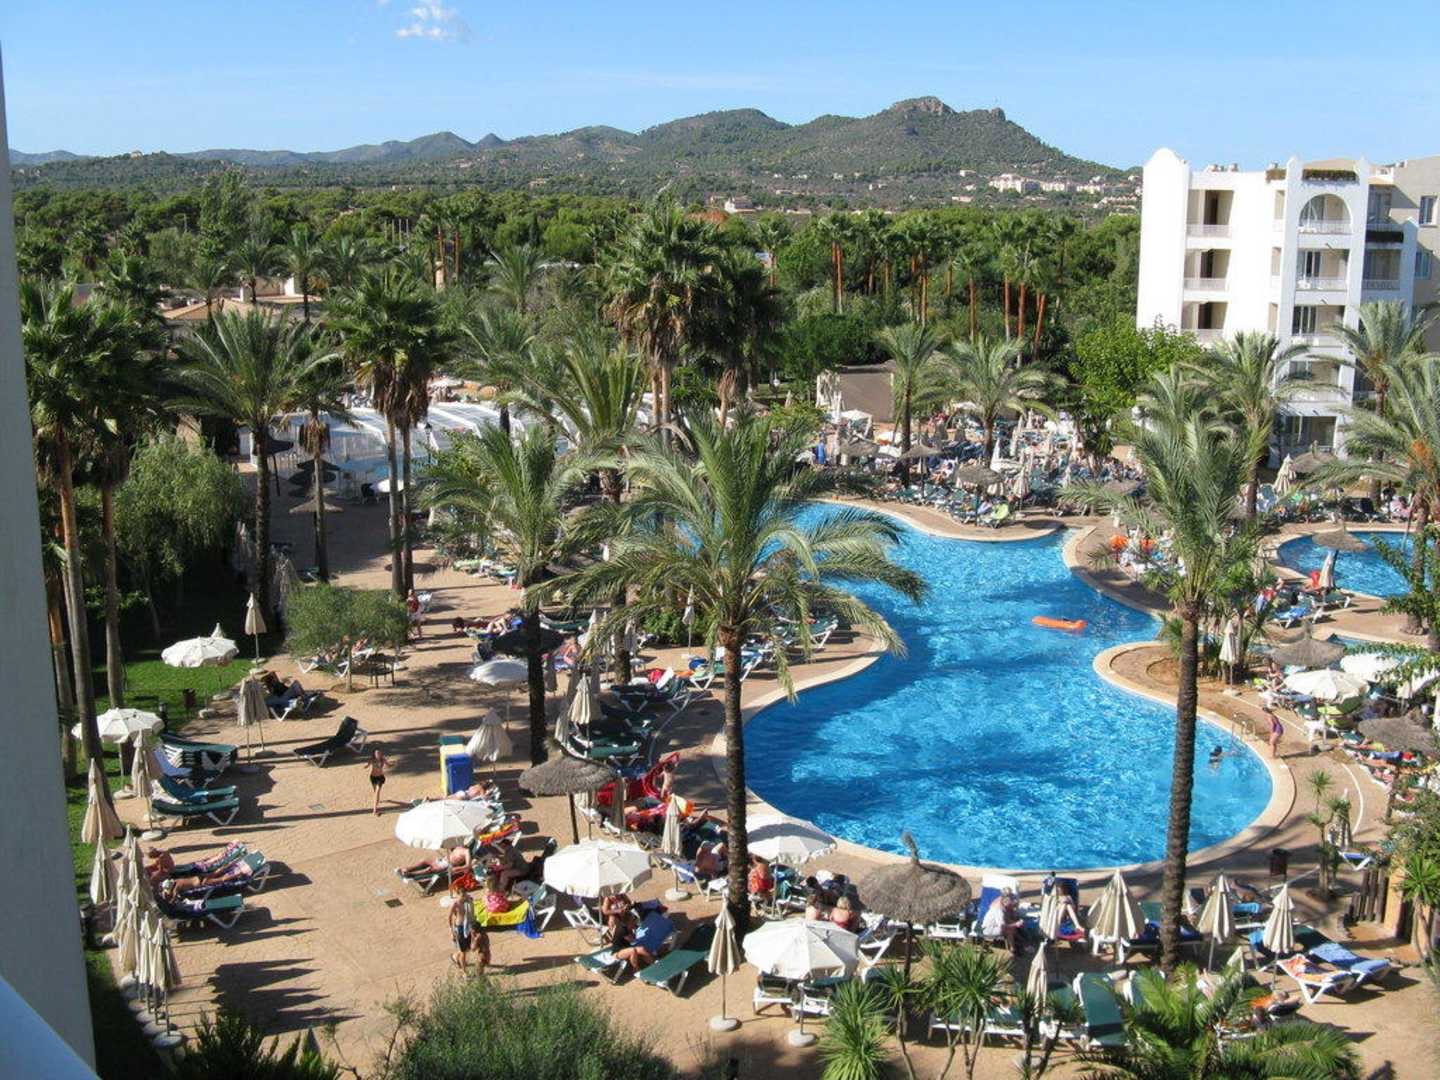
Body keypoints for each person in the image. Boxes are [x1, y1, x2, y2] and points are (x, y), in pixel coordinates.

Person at [449, 888, 476, 972]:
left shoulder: (468, 901)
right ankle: (464, 972)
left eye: (465, 895)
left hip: (467, 927)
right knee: (463, 952)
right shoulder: (455, 904)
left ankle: (455, 956)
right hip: (459, 928)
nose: (464, 897)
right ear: (457, 895)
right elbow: (450, 917)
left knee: (467, 948)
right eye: (462, 896)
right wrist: (451, 931)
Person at [367, 746, 389, 815]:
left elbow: (388, 765)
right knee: (375, 792)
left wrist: (393, 764)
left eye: (379, 753)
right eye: (376, 753)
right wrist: (365, 766)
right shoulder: (372, 760)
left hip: (380, 778)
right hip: (373, 777)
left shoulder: (383, 760)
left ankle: (375, 810)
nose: (378, 754)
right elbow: (367, 765)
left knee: (377, 792)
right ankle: (377, 800)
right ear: (374, 754)